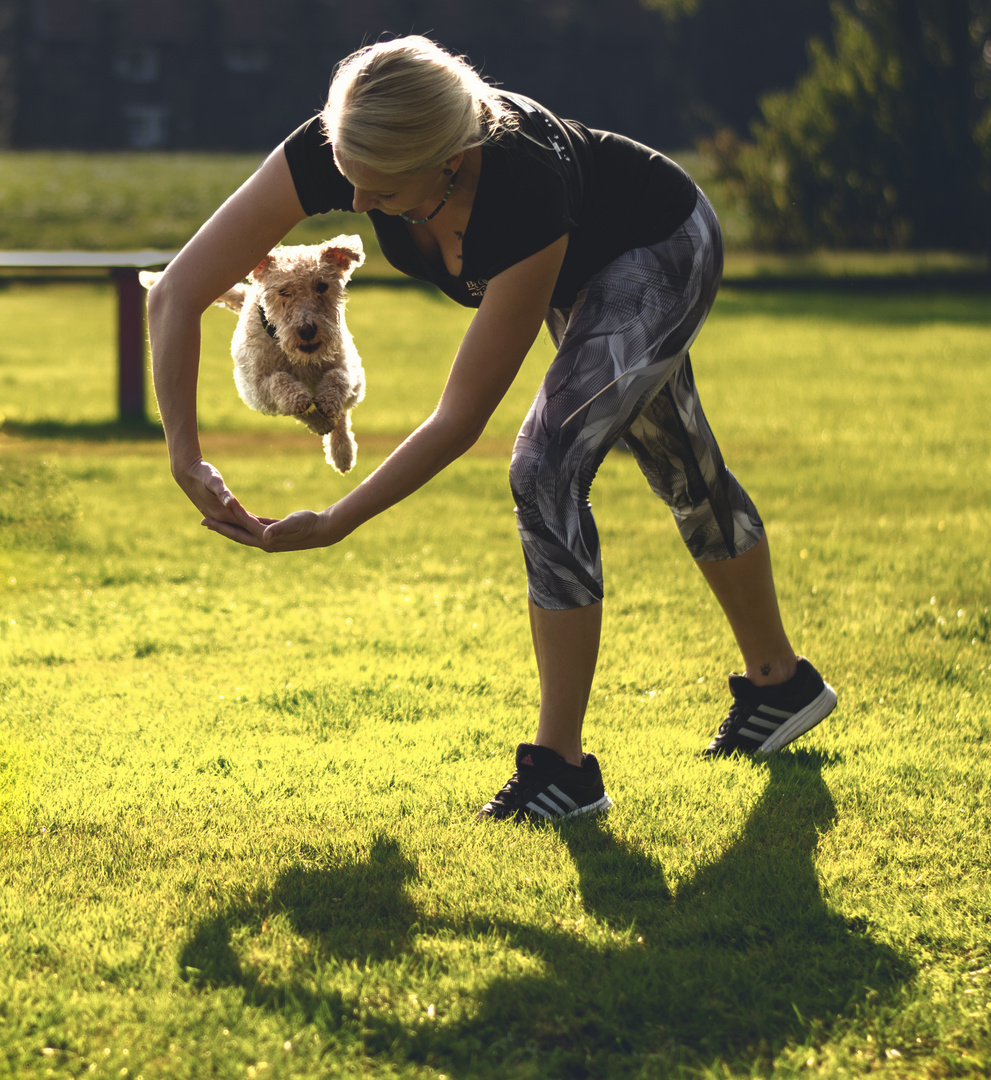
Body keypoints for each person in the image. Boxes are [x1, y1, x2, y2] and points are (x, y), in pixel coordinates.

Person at [146, 35, 836, 824]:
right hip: (584, 263)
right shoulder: (349, 143)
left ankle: (562, 770)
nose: (359, 205)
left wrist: (339, 520)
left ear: (445, 161)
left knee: (545, 468)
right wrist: (184, 453)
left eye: (379, 188)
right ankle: (783, 686)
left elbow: (460, 415)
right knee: (677, 458)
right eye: (347, 177)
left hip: (658, 244)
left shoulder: (520, 185)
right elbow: (175, 293)